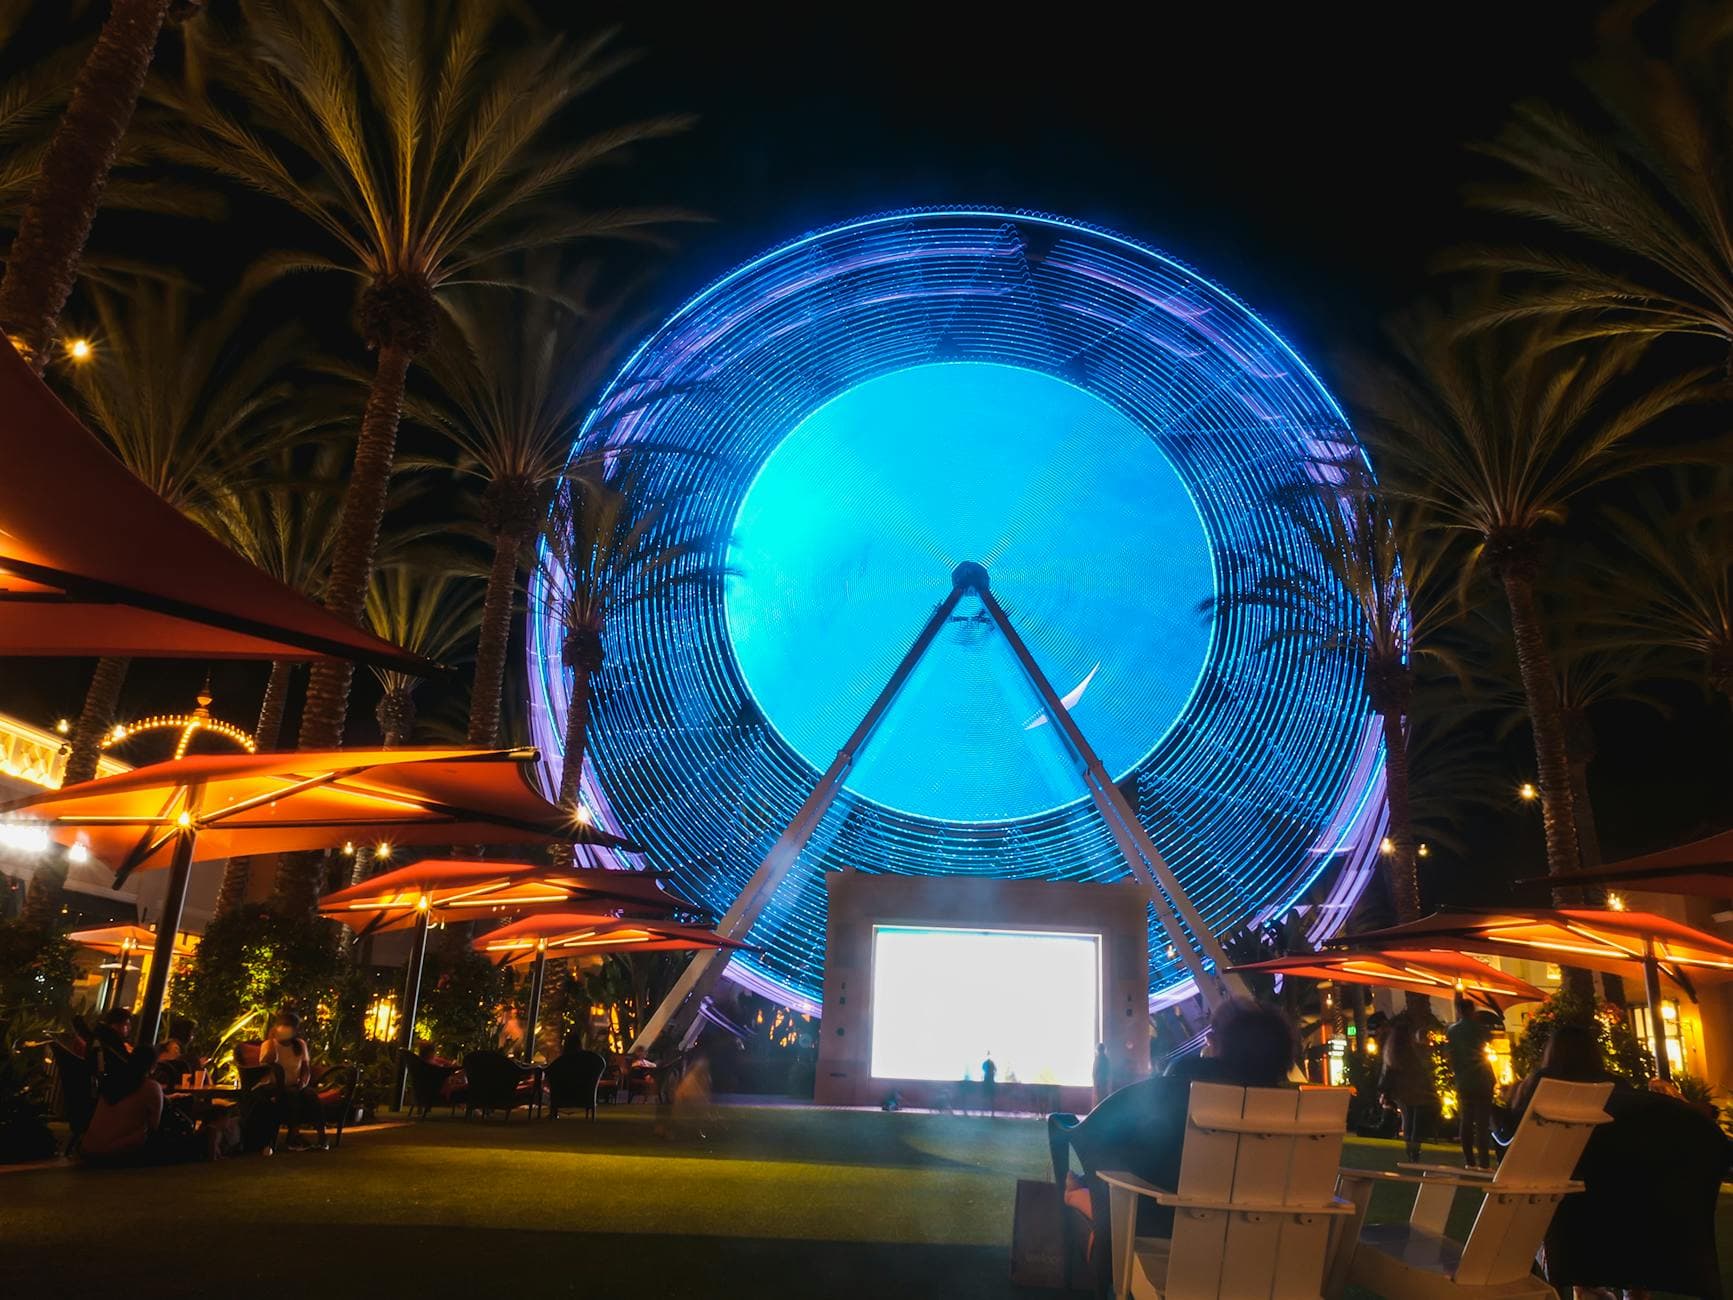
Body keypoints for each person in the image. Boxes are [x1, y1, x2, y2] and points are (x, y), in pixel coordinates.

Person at [1046, 999, 1299, 1291]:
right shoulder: (1292, 1116)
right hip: (1263, 1255)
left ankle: (1081, 1196)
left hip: (1170, 1237)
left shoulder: (1181, 1085)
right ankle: (1084, 1196)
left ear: (1217, 1044)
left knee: (1125, 1187)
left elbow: (1099, 1134)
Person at [82, 1045, 218, 1165]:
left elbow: (131, 1102)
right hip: (118, 1151)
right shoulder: (150, 1087)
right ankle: (205, 1138)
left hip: (90, 1149)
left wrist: (165, 1098)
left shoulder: (112, 1083)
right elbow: (154, 1126)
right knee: (174, 1142)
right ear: (153, 1066)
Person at [259, 1010, 325, 1150]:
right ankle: (293, 1135)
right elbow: (267, 1063)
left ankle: (322, 1135)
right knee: (292, 1095)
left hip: (295, 1084)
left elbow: (306, 1067)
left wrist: (303, 1082)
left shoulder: (300, 1045)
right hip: (274, 1085)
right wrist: (272, 1040)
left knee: (310, 1095)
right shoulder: (268, 1044)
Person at [1379, 1006, 1437, 1162]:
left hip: (1402, 1091)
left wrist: (1386, 1091)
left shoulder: (1392, 1050)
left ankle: (1410, 1149)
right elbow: (1421, 1069)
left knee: (1408, 1119)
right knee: (1415, 1121)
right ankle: (1414, 1150)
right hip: (1415, 1090)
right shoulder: (1411, 1050)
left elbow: (1388, 1071)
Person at [1445, 997, 1496, 1169]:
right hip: (1482, 1079)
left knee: (1466, 1121)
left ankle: (1469, 1161)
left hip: (1464, 1081)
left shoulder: (1452, 1031)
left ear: (1458, 1010)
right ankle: (1484, 1162)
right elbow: (1489, 1039)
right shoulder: (1479, 1029)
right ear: (1472, 1010)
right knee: (1482, 1123)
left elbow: (1450, 1055)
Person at [1092, 1042, 1111, 1107]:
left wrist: (1095, 1083)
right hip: (1104, 1082)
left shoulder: (1098, 1059)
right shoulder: (1106, 1059)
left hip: (1099, 1083)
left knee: (1099, 1099)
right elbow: (1109, 1072)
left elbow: (1094, 1072)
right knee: (1103, 1098)